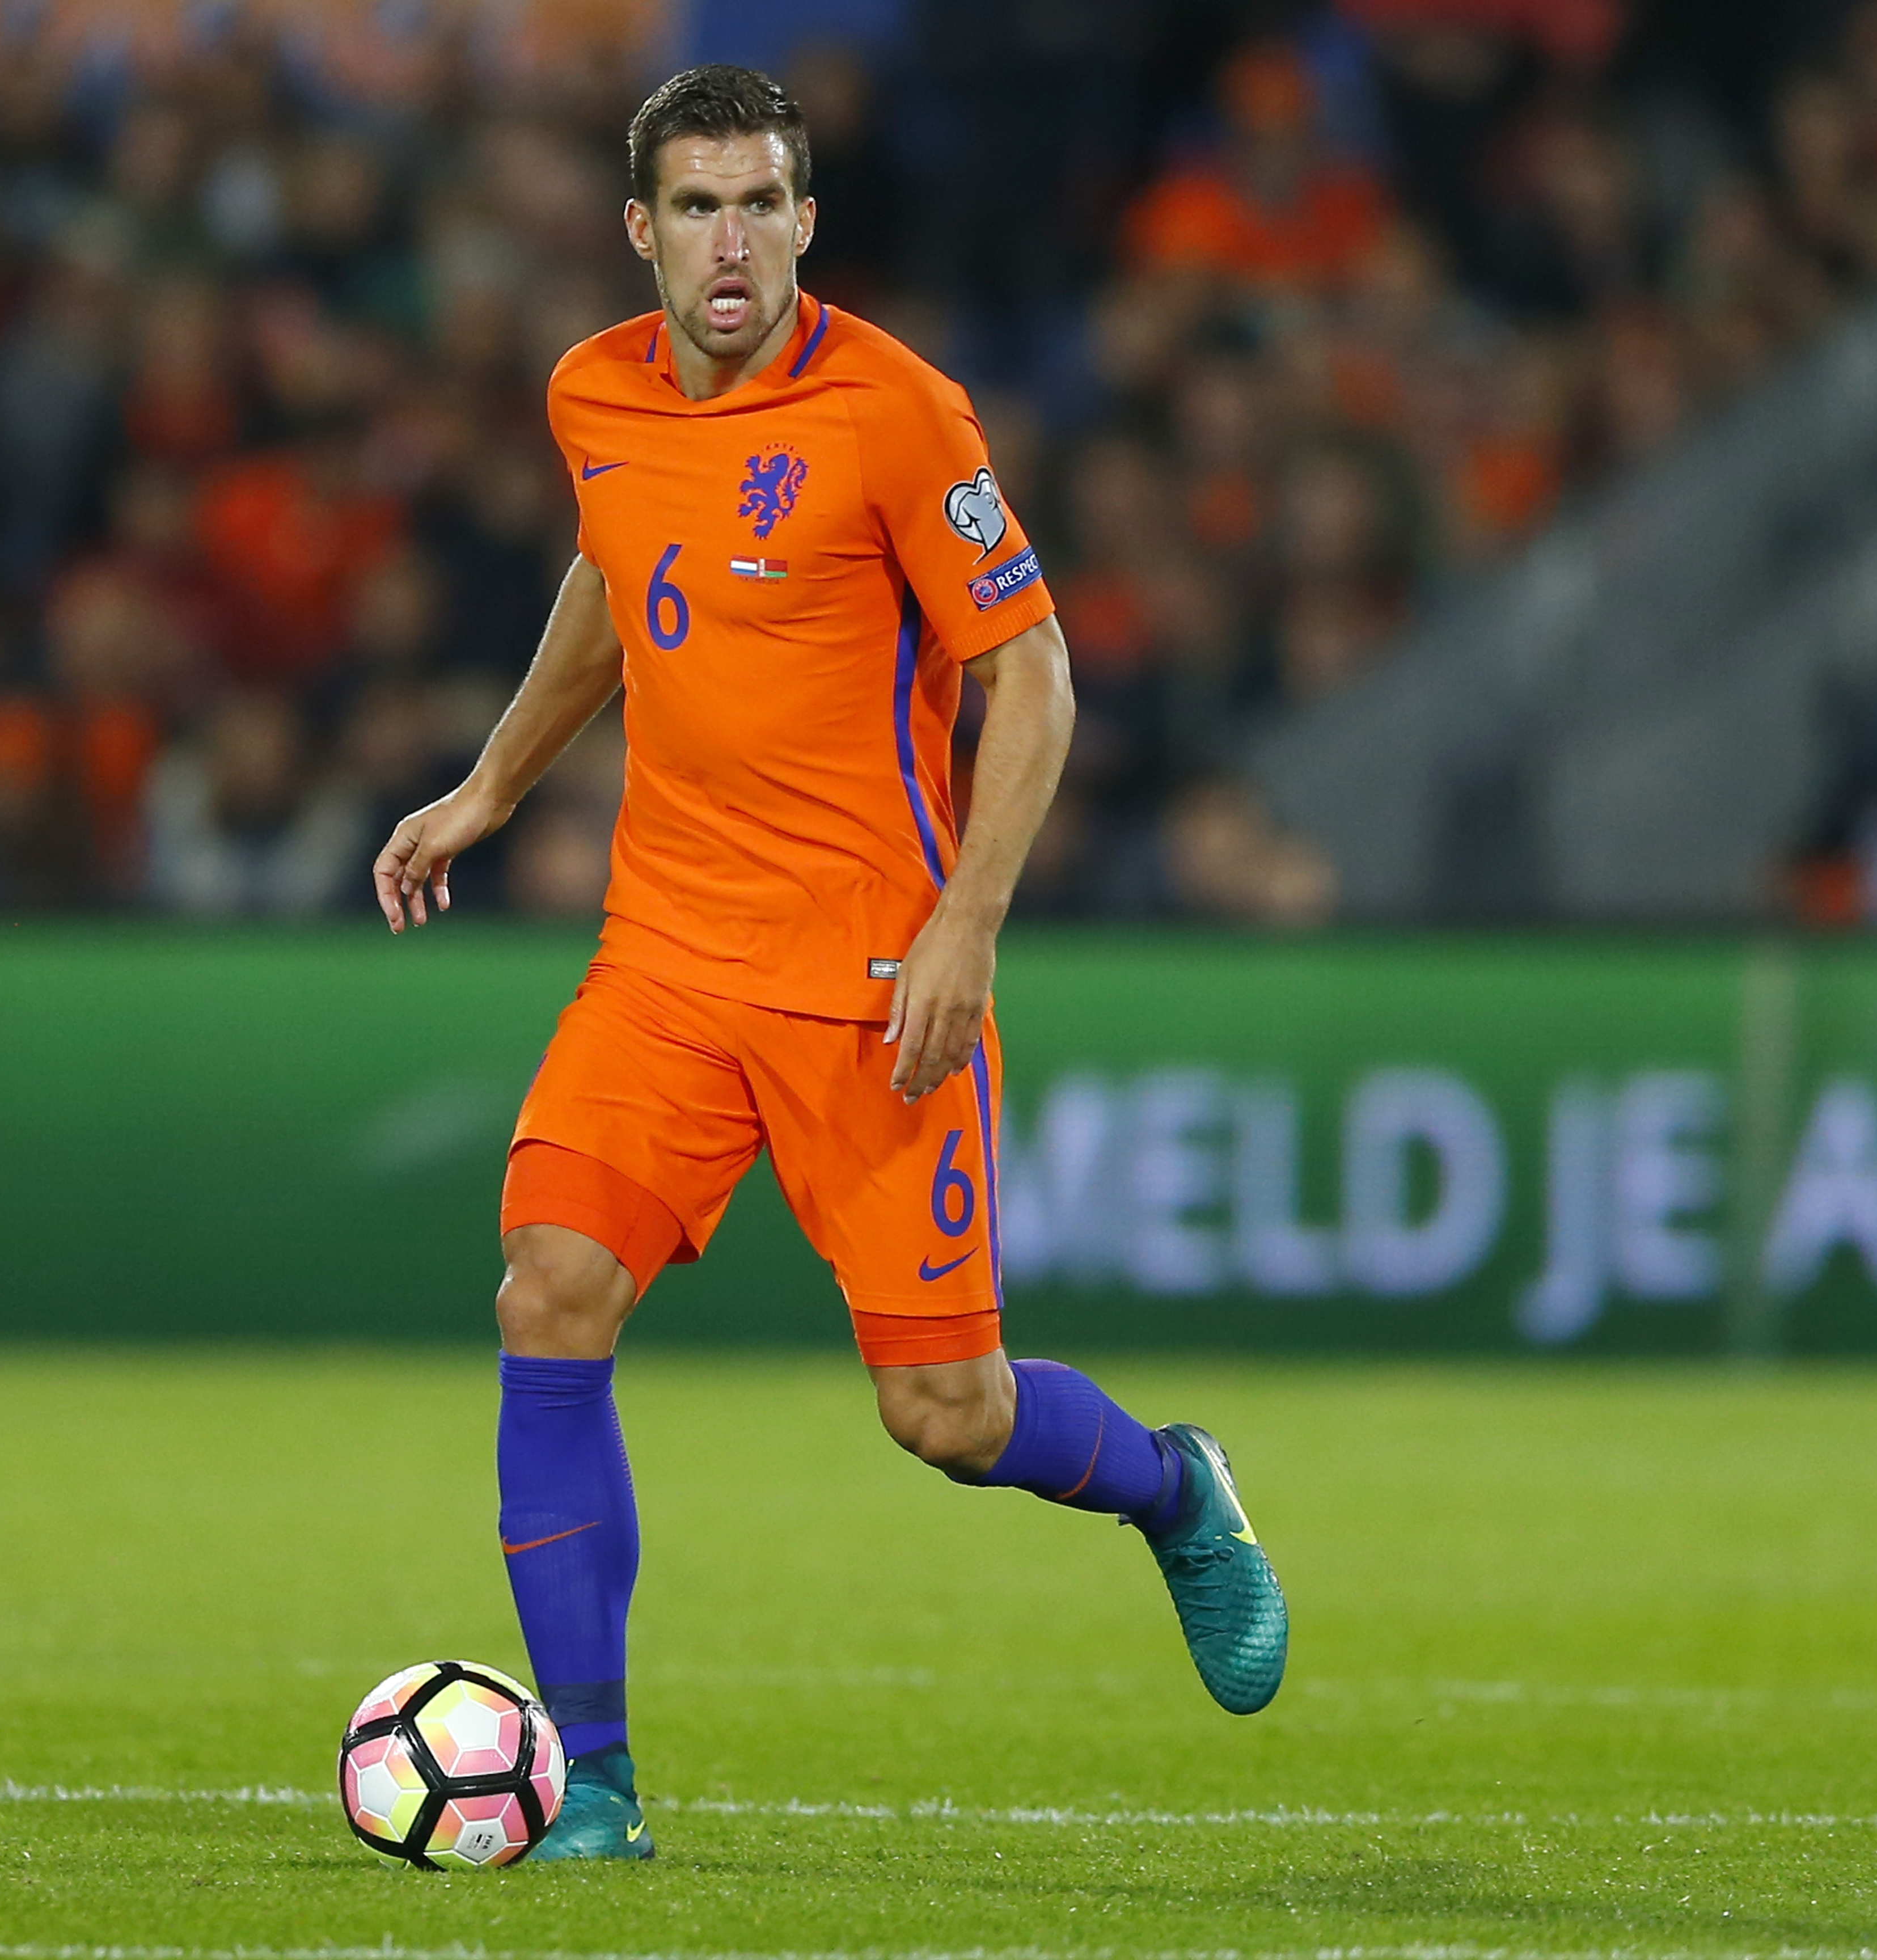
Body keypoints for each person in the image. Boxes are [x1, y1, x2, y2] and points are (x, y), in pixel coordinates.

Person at [370, 66, 1288, 1864]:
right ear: (640, 232)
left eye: (759, 205)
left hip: (872, 981)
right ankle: (596, 1786)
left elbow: (1034, 674)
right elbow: (615, 579)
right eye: (695, 208)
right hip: (664, 959)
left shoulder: (897, 412)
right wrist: (493, 784)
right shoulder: (591, 394)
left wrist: (968, 921)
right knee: (549, 1296)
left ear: (806, 221)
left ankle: (1176, 1490)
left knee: (946, 1414)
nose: (730, 243)